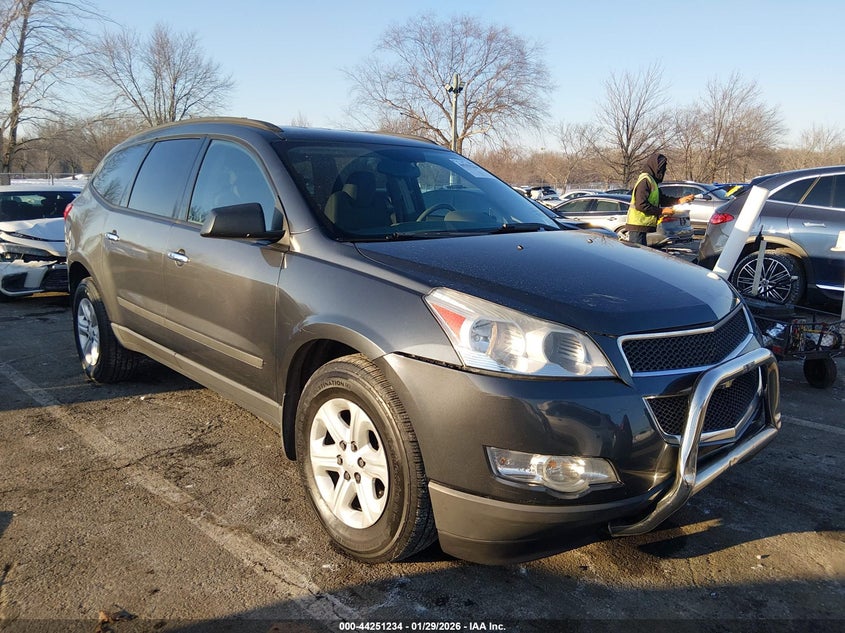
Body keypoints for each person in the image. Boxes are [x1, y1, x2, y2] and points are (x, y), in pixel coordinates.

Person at [625, 152, 695, 246]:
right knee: (636, 257)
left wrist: (679, 200)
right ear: (655, 166)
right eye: (661, 168)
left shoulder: (652, 181)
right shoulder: (645, 180)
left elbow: (662, 199)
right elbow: (641, 205)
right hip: (637, 226)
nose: (663, 171)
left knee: (641, 255)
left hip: (643, 226)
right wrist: (662, 211)